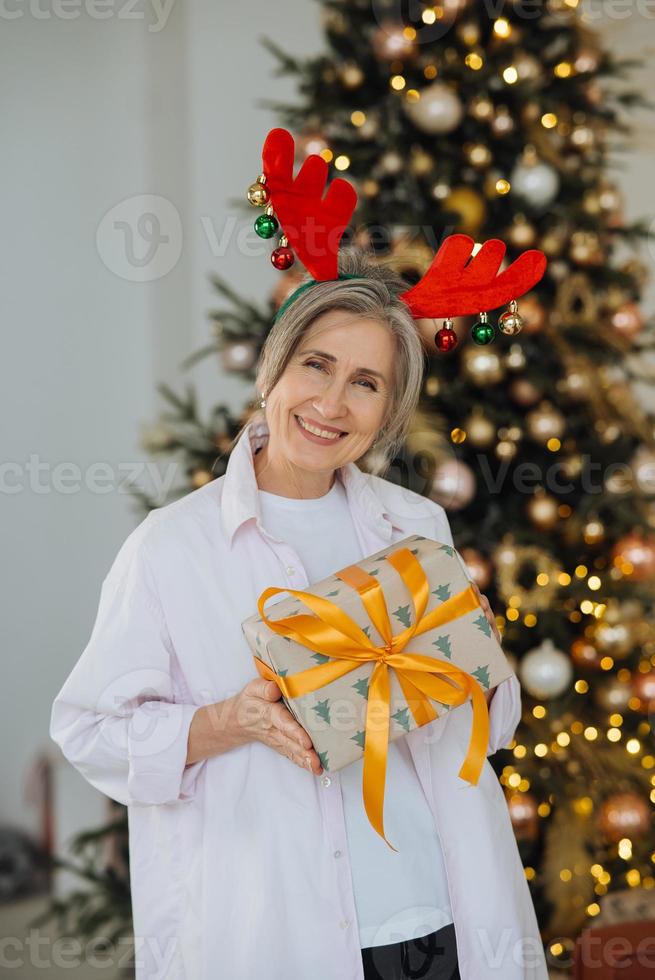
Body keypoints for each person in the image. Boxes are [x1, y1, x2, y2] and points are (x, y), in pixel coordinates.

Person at [50, 245, 549, 980]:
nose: (331, 404)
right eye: (315, 365)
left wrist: (472, 654)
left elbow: (482, 734)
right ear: (271, 372)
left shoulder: (414, 526)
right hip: (273, 931)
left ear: (386, 413)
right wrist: (226, 722)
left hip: (435, 912)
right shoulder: (171, 547)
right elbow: (89, 731)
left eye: (365, 383)